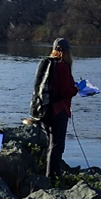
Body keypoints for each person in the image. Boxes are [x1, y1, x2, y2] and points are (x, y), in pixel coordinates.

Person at [33, 38, 78, 178]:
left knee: (51, 144)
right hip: (59, 110)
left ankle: (50, 175)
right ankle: (53, 177)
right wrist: (77, 89)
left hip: (45, 110)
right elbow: (66, 92)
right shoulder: (62, 66)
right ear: (66, 51)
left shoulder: (47, 63)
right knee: (57, 146)